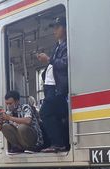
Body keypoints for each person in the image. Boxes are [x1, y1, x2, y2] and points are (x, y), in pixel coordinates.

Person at [37, 17, 70, 153]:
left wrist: (49, 60)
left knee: (45, 113)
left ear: (65, 28)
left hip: (57, 88)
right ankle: (62, 143)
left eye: (57, 27)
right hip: (51, 87)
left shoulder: (68, 44)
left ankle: (57, 143)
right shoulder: (58, 45)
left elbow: (65, 63)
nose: (54, 30)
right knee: (59, 115)